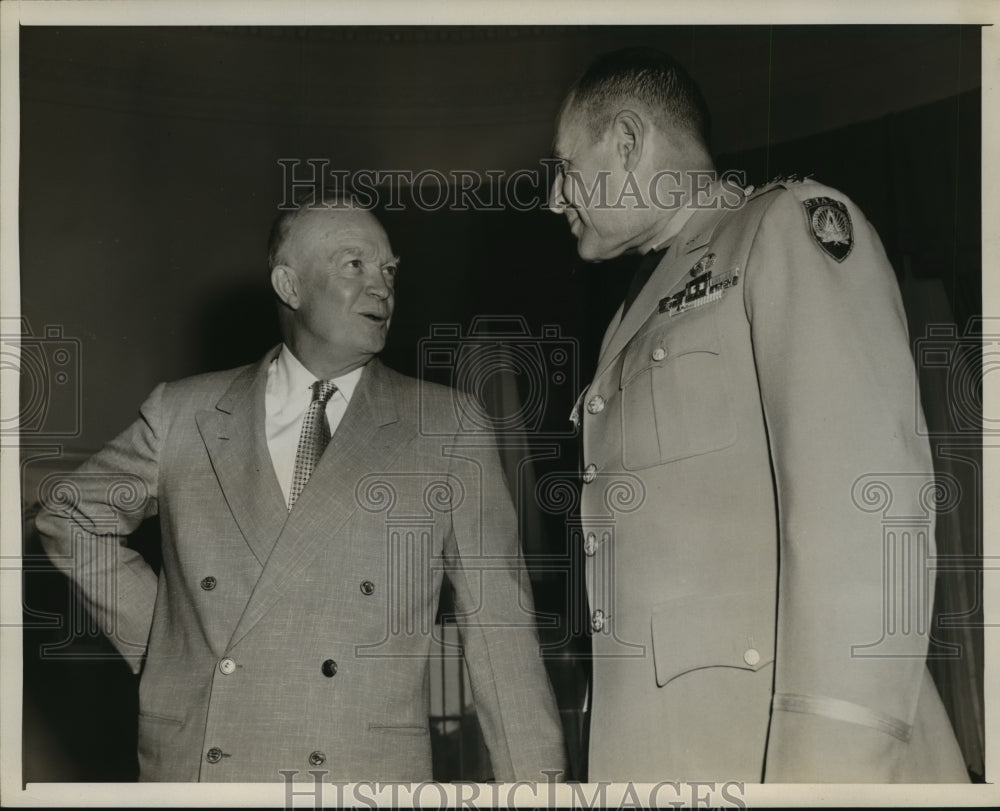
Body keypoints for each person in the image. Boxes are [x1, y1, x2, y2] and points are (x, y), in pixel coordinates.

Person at [34, 198, 566, 782]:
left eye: (389, 270)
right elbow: (70, 517)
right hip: (206, 770)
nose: (381, 287)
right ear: (289, 284)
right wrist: (168, 647)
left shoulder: (448, 426)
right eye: (354, 265)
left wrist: (538, 792)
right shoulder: (184, 414)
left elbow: (501, 632)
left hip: (359, 777)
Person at [548, 47, 968, 782]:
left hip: (791, 761)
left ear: (626, 139)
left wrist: (828, 775)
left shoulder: (784, 227)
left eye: (563, 168)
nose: (555, 199)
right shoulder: (630, 314)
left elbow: (864, 513)